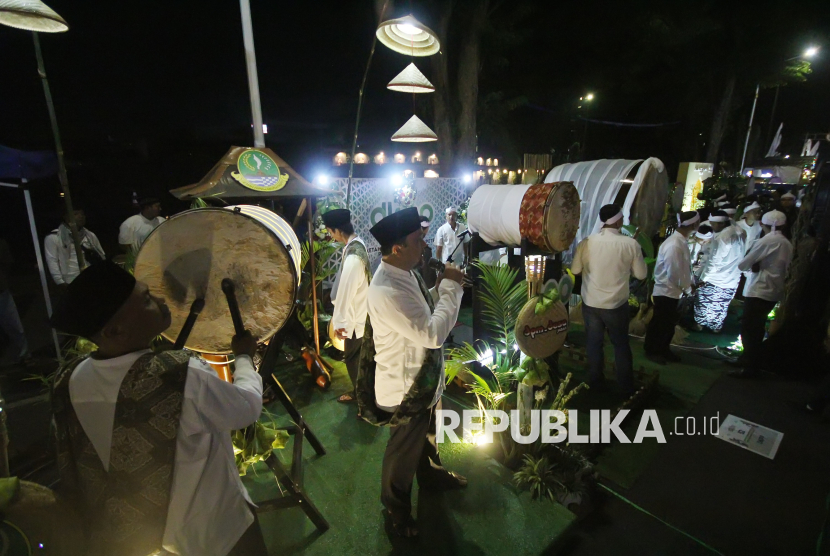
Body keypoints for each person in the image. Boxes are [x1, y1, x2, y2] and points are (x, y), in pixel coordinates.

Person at [50, 262, 266, 555]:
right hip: (218, 532)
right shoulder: (176, 375)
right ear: (115, 330)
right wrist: (243, 357)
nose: (162, 302)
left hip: (148, 540)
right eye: (147, 300)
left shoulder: (69, 380)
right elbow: (247, 408)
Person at [356, 207, 467, 538]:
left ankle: (431, 475)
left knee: (427, 437)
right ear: (397, 248)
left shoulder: (406, 273)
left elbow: (423, 308)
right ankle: (396, 510)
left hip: (424, 384)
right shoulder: (387, 289)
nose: (426, 245)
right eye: (418, 240)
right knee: (402, 455)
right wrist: (452, 288)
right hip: (406, 389)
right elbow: (431, 333)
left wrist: (439, 290)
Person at [571, 204, 646, 396]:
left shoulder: (587, 242)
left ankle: (596, 383)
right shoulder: (630, 244)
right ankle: (625, 387)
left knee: (594, 344)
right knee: (620, 345)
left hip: (591, 303)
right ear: (619, 220)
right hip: (615, 305)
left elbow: (575, 271)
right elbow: (641, 274)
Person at [729, 210, 793, 378]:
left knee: (750, 329)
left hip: (759, 289)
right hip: (773, 290)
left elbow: (743, 264)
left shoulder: (768, 240)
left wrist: (752, 264)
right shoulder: (786, 242)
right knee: (755, 328)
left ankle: (750, 367)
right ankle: (747, 360)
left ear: (763, 224)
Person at [323, 208, 370, 404]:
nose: (329, 235)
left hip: (355, 317)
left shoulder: (353, 258)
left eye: (329, 231)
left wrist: (340, 324)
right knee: (361, 360)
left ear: (336, 230)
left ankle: (363, 401)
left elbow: (345, 295)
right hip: (361, 313)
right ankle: (364, 395)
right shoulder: (357, 244)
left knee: (354, 360)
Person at [644, 210, 699, 364]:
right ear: (694, 224)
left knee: (667, 324)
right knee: (660, 324)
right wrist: (688, 288)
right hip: (666, 291)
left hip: (673, 291)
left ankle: (663, 349)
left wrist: (689, 284)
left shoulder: (680, 241)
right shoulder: (674, 244)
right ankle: (652, 350)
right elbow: (674, 272)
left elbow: (683, 269)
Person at [691, 210, 745, 333]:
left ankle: (699, 325)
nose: (711, 226)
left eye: (712, 224)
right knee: (722, 305)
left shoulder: (722, 238)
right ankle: (716, 327)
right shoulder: (739, 230)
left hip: (715, 279)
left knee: (704, 303)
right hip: (732, 279)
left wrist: (703, 279)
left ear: (720, 224)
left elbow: (714, 262)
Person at [44, 207, 106, 287]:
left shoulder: (89, 235)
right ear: (66, 217)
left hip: (92, 278)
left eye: (82, 214)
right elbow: (52, 260)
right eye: (76, 214)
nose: (81, 216)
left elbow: (101, 255)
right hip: (70, 280)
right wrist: (60, 282)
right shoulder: (54, 237)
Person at [0, 238, 30, 367]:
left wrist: (4, 280)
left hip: (1, 291)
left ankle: (24, 355)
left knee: (13, 325)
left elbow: (8, 262)